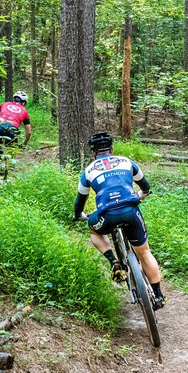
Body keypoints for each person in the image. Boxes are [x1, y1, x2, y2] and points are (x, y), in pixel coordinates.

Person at [72, 132, 166, 309]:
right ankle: (159, 295)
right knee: (145, 252)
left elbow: (79, 202)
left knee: (92, 228)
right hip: (130, 211)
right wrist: (142, 194)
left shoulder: (88, 172)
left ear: (93, 153)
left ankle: (113, 261)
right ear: (112, 149)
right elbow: (145, 186)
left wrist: (79, 216)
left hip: (106, 215)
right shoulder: (126, 162)